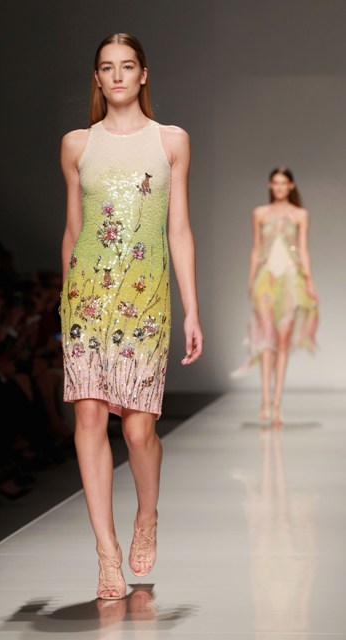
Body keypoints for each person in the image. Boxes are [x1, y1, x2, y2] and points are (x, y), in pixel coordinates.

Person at [59, 33, 203, 600]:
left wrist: (192, 310)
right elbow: (74, 229)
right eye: (106, 67)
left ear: (144, 74)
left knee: (139, 429)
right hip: (86, 299)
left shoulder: (171, 141)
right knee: (89, 419)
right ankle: (106, 553)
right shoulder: (77, 145)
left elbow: (179, 229)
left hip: (145, 300)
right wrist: (65, 300)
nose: (117, 75)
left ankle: (147, 513)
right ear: (97, 78)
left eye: (126, 66)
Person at [232, 166, 319, 426]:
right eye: (275, 183)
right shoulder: (260, 213)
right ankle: (266, 400)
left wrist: (310, 282)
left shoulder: (300, 214)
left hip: (291, 280)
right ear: (270, 185)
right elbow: (256, 248)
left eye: (284, 183)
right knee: (266, 339)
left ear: (291, 186)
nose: (279, 187)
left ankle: (278, 402)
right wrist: (250, 280)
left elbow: (303, 249)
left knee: (283, 341)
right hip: (265, 280)